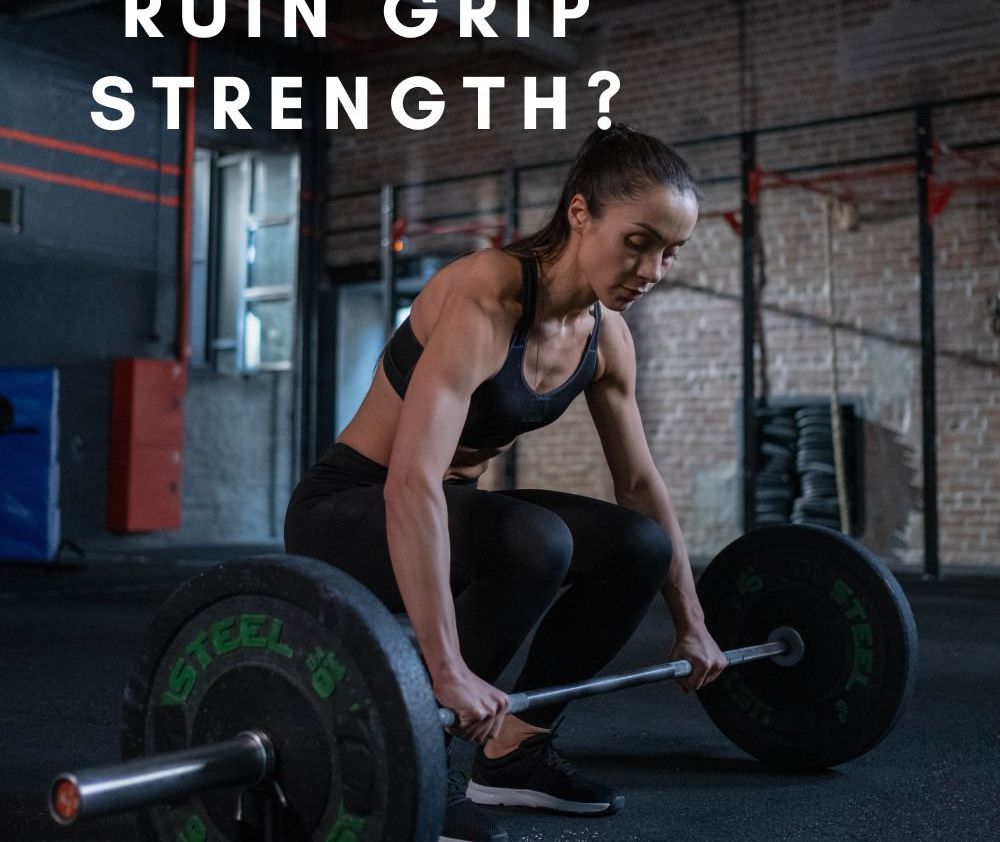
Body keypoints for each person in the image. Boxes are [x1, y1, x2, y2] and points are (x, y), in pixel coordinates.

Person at [284, 123, 728, 842]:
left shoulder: (605, 336)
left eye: (670, 253)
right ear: (580, 213)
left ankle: (514, 752)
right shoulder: (487, 294)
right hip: (347, 509)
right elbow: (410, 482)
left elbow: (640, 483)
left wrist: (692, 621)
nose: (651, 270)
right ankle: (414, 757)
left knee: (637, 545)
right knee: (534, 541)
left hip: (450, 510)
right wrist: (446, 667)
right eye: (639, 241)